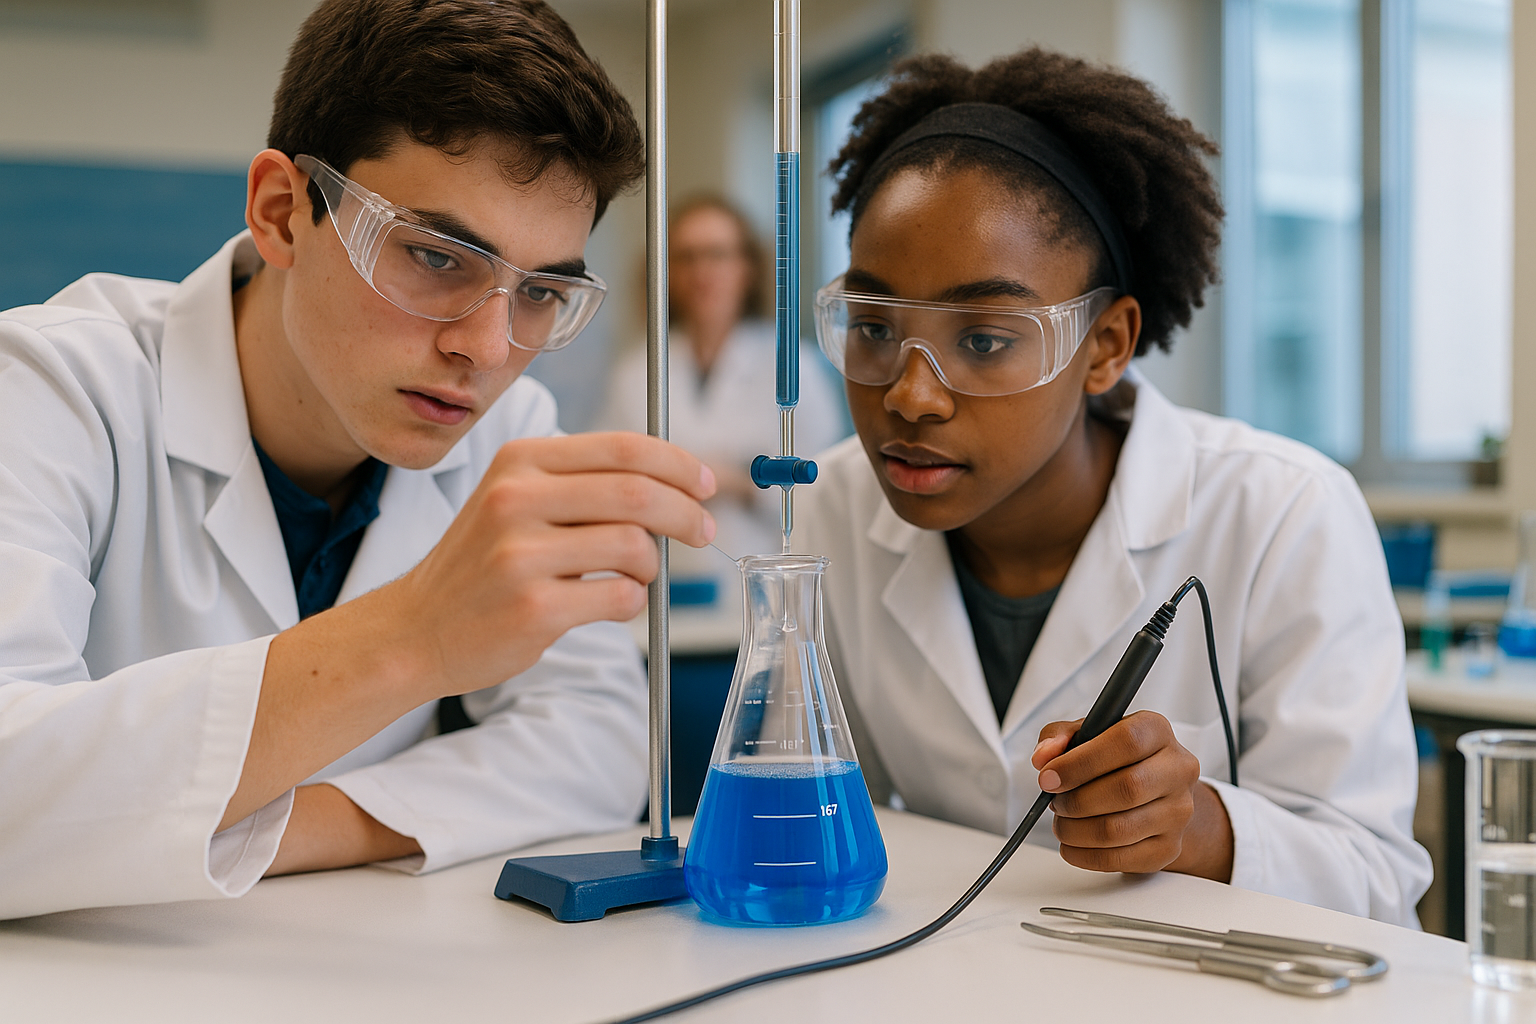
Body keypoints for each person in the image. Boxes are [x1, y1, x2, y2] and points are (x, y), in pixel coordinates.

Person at [0, 0, 718, 920]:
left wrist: (266, 829)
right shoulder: (54, 386)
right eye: (436, 256)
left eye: (541, 292)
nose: (490, 349)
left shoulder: (510, 427)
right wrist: (415, 638)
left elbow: (597, 739)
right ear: (282, 213)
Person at [797, 49, 1432, 926]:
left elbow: (1378, 878)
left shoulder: (1284, 511)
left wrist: (1198, 828)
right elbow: (834, 820)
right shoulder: (833, 506)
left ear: (1104, 347)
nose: (909, 395)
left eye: (983, 339)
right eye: (872, 326)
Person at [597, 196, 843, 564]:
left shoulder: (794, 365)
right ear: (666, 271)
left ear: (747, 268)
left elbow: (826, 493)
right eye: (687, 257)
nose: (702, 271)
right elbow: (605, 477)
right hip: (665, 579)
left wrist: (738, 481)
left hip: (763, 575)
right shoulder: (637, 370)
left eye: (717, 254)